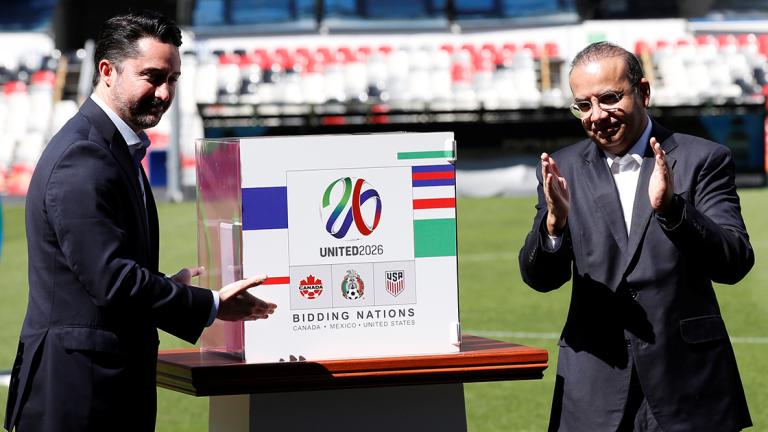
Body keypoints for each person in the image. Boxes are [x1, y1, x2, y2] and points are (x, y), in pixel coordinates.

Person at [4, 11, 276, 432]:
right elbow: (111, 280)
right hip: (79, 396)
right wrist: (213, 305)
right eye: (152, 76)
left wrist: (167, 283)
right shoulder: (85, 156)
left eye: (173, 79)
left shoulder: (110, 150)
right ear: (107, 71)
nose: (165, 92)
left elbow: (97, 277)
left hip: (98, 386)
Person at [519, 41, 754, 431]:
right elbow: (539, 279)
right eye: (584, 105)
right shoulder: (563, 168)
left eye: (610, 98)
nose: (597, 115)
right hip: (594, 382)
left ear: (643, 92)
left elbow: (734, 262)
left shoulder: (703, 159)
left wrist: (673, 211)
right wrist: (554, 228)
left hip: (688, 382)